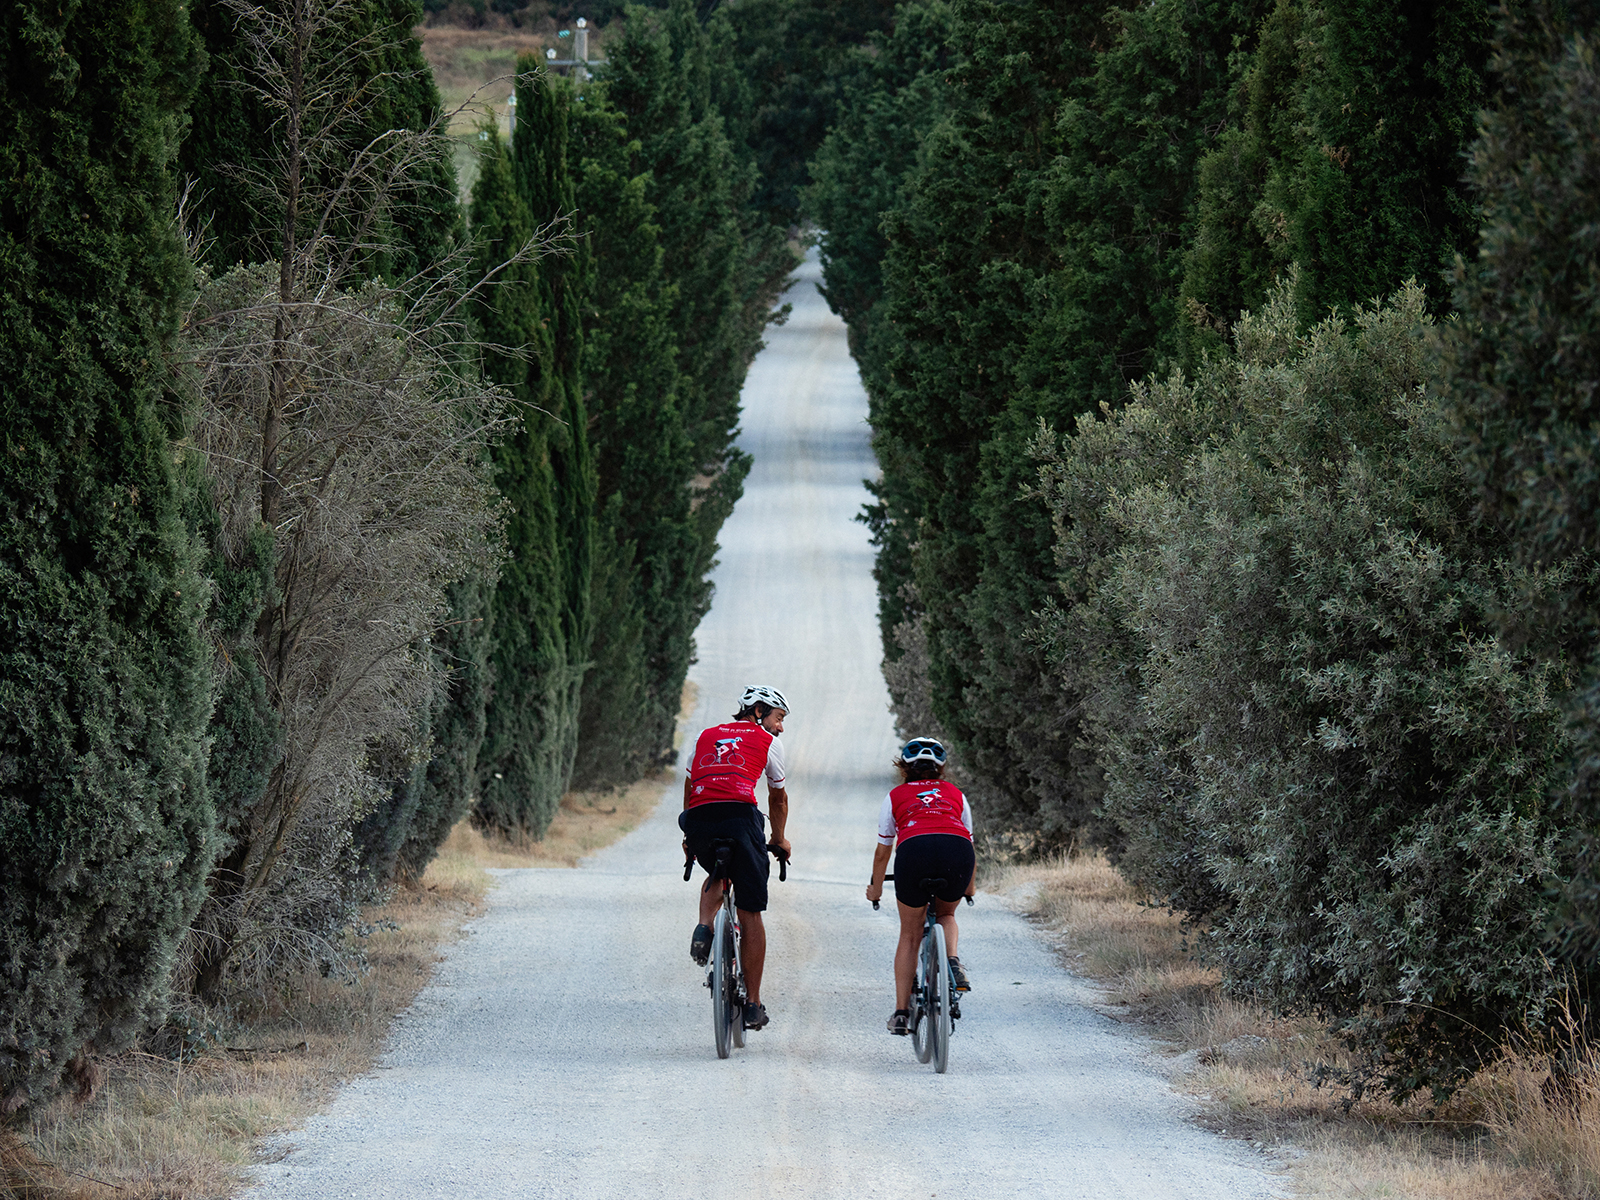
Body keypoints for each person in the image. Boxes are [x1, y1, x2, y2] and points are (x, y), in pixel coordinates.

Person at [680, 685, 793, 1031]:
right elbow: (778, 798)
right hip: (740, 817)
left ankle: (704, 925)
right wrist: (778, 839)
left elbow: (689, 785)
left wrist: (689, 837)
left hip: (697, 818)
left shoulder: (704, 737)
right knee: (751, 910)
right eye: (778, 717)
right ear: (759, 712)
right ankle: (754, 1004)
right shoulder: (769, 742)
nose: (781, 727)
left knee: (717, 869)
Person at [865, 736, 975, 1036]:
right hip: (957, 851)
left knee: (910, 935)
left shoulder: (896, 796)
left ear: (905, 769)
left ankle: (901, 1013)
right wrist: (969, 888)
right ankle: (952, 962)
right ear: (940, 770)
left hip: (915, 852)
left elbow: (883, 851)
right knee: (947, 915)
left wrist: (875, 888)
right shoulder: (956, 794)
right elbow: (969, 843)